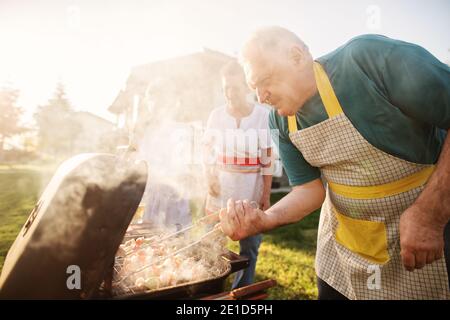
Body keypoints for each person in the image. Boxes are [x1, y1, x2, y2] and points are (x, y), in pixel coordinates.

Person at [218, 26, 450, 299]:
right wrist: (264, 220)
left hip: (422, 238)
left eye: (264, 80)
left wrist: (430, 215)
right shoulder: (279, 120)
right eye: (254, 88)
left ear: (296, 57)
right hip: (343, 252)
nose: (260, 97)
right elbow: (309, 191)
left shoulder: (368, 61)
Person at [203, 60, 273, 289]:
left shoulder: (262, 115)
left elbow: (268, 157)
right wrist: (209, 180)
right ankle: (209, 288)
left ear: (246, 87)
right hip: (220, 191)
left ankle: (240, 293)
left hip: (250, 191)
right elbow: (206, 152)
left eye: (235, 87)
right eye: (226, 89)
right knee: (211, 243)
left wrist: (265, 193)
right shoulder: (216, 116)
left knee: (249, 247)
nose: (230, 93)